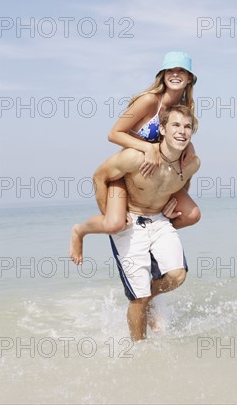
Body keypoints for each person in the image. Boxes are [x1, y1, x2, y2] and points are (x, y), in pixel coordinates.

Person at [69, 51, 200, 265]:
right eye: (171, 70)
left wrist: (191, 146)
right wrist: (146, 148)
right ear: (163, 75)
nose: (176, 74)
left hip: (157, 173)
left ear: (189, 79)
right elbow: (114, 133)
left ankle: (154, 235)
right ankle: (79, 231)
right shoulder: (149, 101)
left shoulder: (184, 109)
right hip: (129, 169)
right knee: (114, 224)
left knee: (191, 214)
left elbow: (176, 138)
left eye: (182, 71)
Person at [93, 105, 200, 340]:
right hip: (130, 223)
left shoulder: (192, 163)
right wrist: (110, 216)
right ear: (161, 128)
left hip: (159, 220)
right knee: (138, 298)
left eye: (187, 126)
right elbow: (100, 176)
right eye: (175, 125)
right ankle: (139, 350)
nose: (182, 131)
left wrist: (172, 204)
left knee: (177, 276)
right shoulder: (136, 157)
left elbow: (180, 184)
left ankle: (147, 297)